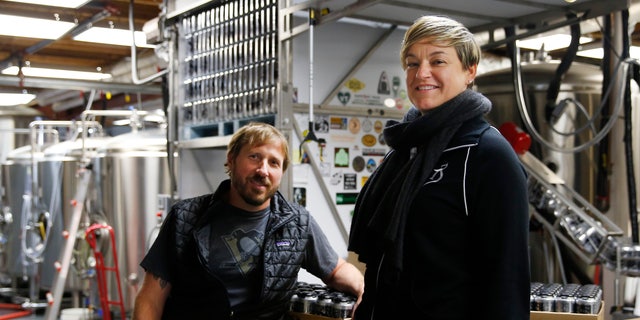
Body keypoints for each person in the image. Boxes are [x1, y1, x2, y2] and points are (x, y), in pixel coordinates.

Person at [348, 15, 530, 319]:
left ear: (470, 71)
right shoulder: (406, 148)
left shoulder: (487, 154)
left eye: (438, 61)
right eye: (411, 62)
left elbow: (507, 279)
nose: (422, 73)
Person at [133, 122, 364, 320]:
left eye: (274, 162)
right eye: (254, 157)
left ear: (281, 172)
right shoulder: (186, 217)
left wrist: (365, 289)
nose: (263, 170)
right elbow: (151, 298)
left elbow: (336, 270)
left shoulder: (297, 223)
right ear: (231, 160)